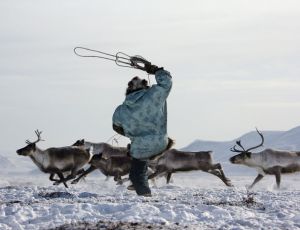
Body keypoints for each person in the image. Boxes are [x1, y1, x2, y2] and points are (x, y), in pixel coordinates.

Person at [112, 62, 173, 196]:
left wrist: (130, 134)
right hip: (161, 142)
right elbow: (166, 83)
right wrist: (158, 70)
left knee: (136, 173)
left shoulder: (122, 109)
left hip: (140, 146)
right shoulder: (154, 95)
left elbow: (115, 126)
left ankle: (145, 195)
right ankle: (138, 183)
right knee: (137, 168)